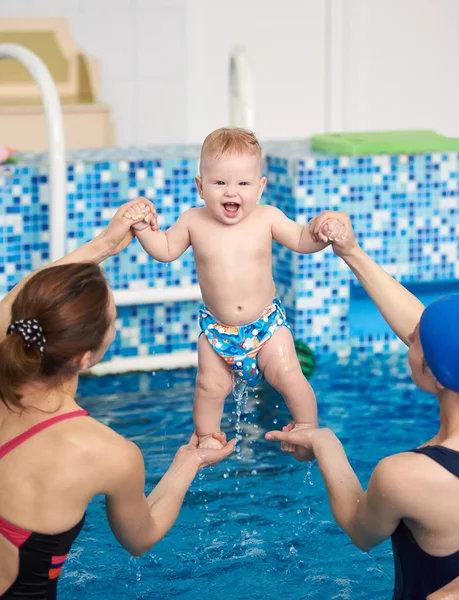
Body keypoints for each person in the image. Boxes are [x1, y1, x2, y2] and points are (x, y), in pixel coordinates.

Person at [0, 199, 235, 600]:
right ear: (86, 357)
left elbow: (22, 303)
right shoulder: (106, 452)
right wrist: (189, 460)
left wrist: (102, 246)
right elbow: (139, 539)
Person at [266, 210, 459, 600]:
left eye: (416, 339)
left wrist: (325, 444)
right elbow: (437, 338)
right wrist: (350, 252)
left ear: (437, 375)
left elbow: (360, 528)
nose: (409, 336)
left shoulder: (407, 476)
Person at [123, 127, 348, 450]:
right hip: (218, 332)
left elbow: (301, 240)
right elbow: (166, 250)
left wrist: (321, 231)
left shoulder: (267, 217)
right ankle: (207, 439)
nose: (231, 192)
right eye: (219, 183)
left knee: (289, 375)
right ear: (201, 187)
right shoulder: (193, 221)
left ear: (260, 187)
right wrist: (143, 228)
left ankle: (307, 428)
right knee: (208, 386)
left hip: (266, 327)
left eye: (243, 183)